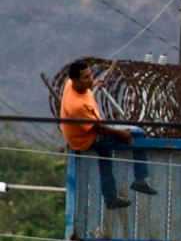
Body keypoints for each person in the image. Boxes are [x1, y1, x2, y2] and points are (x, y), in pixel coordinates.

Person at [60, 60, 157, 210]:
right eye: (86, 78)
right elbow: (98, 128)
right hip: (88, 137)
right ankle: (140, 179)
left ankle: (111, 198)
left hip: (81, 135)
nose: (90, 79)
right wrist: (120, 133)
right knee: (139, 134)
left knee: (105, 159)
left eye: (90, 75)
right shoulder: (76, 105)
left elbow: (87, 90)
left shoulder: (70, 84)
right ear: (75, 80)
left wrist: (94, 84)